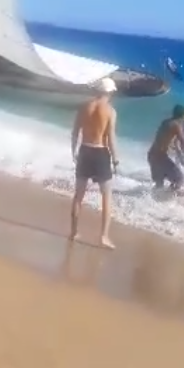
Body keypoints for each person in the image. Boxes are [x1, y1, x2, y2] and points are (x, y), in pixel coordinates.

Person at [69, 77, 120, 248]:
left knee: (79, 195)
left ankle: (74, 231)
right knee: (106, 196)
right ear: (110, 92)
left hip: (84, 149)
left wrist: (73, 151)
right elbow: (111, 138)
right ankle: (104, 236)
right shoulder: (110, 111)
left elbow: (75, 131)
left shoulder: (84, 107)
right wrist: (116, 158)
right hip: (100, 153)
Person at [147, 104, 184, 193]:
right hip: (160, 157)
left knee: (159, 184)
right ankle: (167, 199)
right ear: (182, 116)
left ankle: (154, 200)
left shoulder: (166, 122)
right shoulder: (176, 125)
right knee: (180, 180)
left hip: (152, 155)